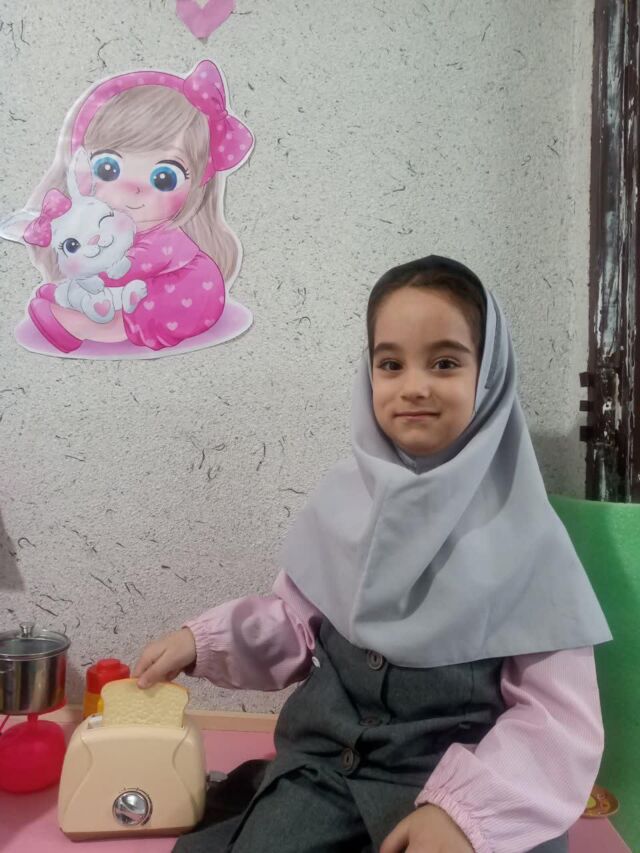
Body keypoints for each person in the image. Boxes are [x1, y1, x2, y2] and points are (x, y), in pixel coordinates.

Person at [134, 256, 611, 852]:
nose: (414, 386)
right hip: (326, 775)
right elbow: (294, 623)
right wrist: (204, 642)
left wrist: (465, 815)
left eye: (445, 362)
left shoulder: (530, 540)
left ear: (488, 375)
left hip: (462, 789)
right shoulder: (345, 501)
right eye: (390, 364)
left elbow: (558, 720)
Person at [16, 60, 252, 353]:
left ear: (196, 186)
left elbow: (127, 268)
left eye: (164, 178)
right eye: (109, 169)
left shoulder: (165, 238)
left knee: (142, 302)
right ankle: (79, 303)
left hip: (187, 293)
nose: (134, 188)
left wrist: (83, 277)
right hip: (131, 287)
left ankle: (86, 326)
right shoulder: (105, 222)